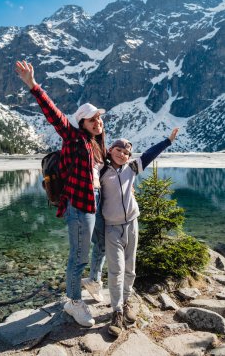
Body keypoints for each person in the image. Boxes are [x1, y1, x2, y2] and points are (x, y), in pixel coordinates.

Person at [15, 60, 106, 327]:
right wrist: (33, 85)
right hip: (79, 205)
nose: (98, 122)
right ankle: (73, 302)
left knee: (101, 243)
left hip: (96, 201)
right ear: (82, 123)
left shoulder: (96, 144)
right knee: (79, 256)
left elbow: (100, 173)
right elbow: (53, 114)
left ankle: (94, 280)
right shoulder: (74, 138)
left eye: (99, 118)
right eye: (93, 119)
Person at [100, 129, 179, 337]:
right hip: (112, 228)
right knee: (116, 270)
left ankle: (125, 303)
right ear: (110, 150)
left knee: (131, 269)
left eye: (126, 152)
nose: (122, 154)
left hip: (132, 224)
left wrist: (167, 141)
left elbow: (150, 154)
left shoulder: (132, 168)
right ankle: (116, 312)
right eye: (118, 150)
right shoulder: (101, 171)